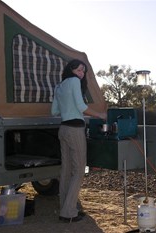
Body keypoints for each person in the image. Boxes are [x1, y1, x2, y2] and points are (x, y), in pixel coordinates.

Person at [51, 59, 107, 222]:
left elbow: (54, 110)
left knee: (66, 170)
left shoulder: (59, 86)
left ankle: (66, 207)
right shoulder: (74, 82)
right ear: (71, 70)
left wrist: (67, 106)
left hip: (63, 129)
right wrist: (100, 115)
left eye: (83, 71)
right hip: (75, 130)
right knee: (79, 170)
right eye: (79, 70)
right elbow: (82, 107)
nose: (81, 74)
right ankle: (68, 211)